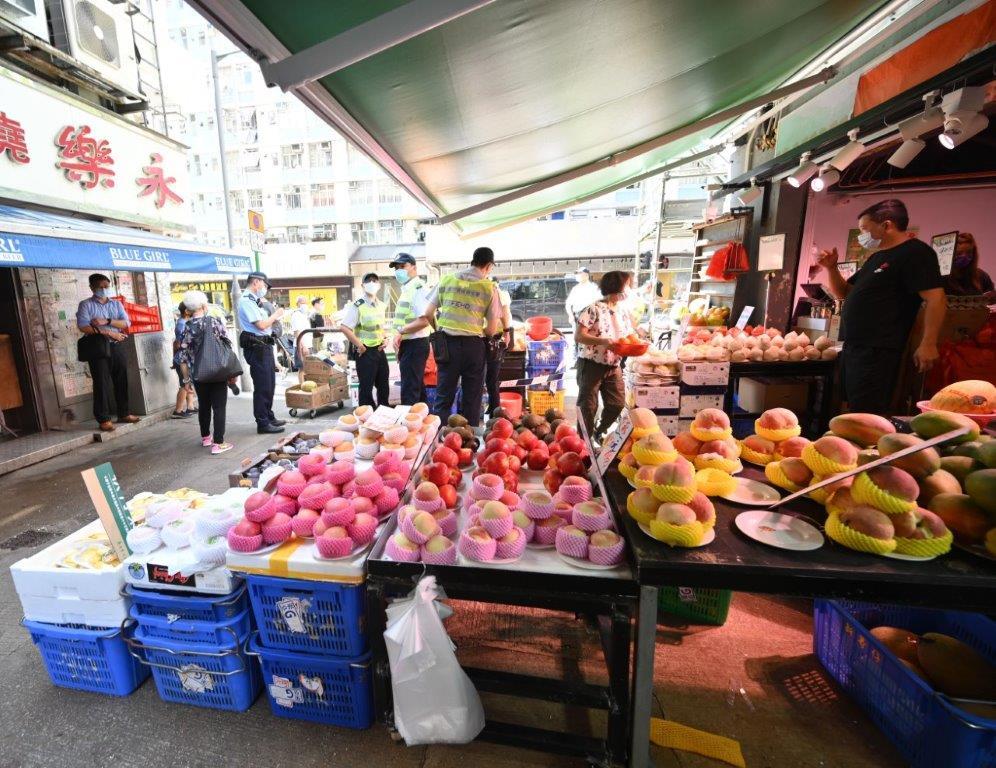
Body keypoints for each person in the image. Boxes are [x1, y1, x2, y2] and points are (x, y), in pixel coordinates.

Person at [816, 198, 946, 413]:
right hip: (855, 345)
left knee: (868, 411)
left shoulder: (915, 253)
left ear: (886, 225)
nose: (861, 237)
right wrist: (831, 268)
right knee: (853, 406)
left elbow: (936, 299)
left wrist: (928, 343)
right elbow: (845, 292)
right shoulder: (877, 258)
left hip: (879, 349)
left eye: (864, 229)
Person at [402, 247, 502, 426]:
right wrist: (479, 331)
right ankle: (468, 439)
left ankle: (441, 438)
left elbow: (428, 314)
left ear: (472, 261)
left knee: (444, 396)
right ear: (488, 266)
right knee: (472, 398)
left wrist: (439, 330)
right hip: (474, 347)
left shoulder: (447, 280)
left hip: (447, 346)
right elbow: (492, 329)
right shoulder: (489, 288)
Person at [574, 271, 635, 441]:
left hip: (614, 365)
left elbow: (629, 336)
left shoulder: (622, 311)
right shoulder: (593, 309)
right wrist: (603, 341)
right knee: (588, 407)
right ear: (616, 287)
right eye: (626, 285)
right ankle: (582, 446)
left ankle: (599, 430)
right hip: (591, 364)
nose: (628, 289)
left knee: (617, 404)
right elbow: (579, 336)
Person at [76, 273, 140, 432]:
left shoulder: (116, 304)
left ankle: (124, 413)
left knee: (121, 379)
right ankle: (103, 418)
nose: (104, 290)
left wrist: (107, 321)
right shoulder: (85, 305)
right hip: (98, 347)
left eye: (106, 286)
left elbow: (126, 322)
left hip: (116, 345)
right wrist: (110, 332)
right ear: (92, 287)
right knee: (101, 383)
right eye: (100, 287)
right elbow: (84, 326)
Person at [177, 290, 235, 455]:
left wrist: (186, 380)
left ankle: (206, 438)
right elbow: (227, 343)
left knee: (204, 405)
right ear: (204, 305)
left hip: (197, 374)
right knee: (219, 407)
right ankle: (218, 443)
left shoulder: (186, 327)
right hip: (216, 371)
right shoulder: (214, 322)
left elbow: (183, 357)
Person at [237, 271, 286, 434]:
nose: (264, 288)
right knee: (263, 385)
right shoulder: (246, 301)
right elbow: (262, 325)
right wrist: (276, 315)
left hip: (264, 346)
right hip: (256, 347)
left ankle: (268, 416)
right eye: (264, 285)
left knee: (270, 383)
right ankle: (263, 422)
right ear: (256, 282)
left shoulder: (254, 300)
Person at [339, 273, 390, 408]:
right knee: (366, 389)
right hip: (365, 351)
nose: (372, 283)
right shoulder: (358, 305)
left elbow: (381, 327)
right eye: (368, 281)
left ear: (379, 285)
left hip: (379, 350)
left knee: (383, 385)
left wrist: (385, 339)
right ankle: (366, 417)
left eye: (375, 281)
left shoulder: (381, 305)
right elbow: (344, 327)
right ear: (362, 286)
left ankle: (383, 413)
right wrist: (360, 345)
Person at [390, 252, 431, 405]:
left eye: (402, 266)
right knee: (417, 389)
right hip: (410, 344)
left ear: (414, 267)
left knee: (410, 392)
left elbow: (425, 320)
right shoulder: (408, 288)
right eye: (396, 268)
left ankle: (410, 425)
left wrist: (401, 331)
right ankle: (426, 424)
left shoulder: (418, 288)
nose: (399, 271)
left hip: (415, 344)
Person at [484, 276, 513, 417]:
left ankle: (494, 409)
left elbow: (506, 313)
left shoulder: (499, 294)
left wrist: (507, 334)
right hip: (487, 338)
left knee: (490, 377)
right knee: (489, 377)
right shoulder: (489, 293)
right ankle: (493, 407)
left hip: (495, 339)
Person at [943, 232, 994, 298]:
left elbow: (991, 300)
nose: (964, 256)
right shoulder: (940, 278)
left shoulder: (982, 276)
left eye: (969, 253)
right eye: (959, 253)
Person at [170, 302, 197, 419]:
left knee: (188, 382)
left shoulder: (184, 322)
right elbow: (178, 343)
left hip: (184, 359)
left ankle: (190, 407)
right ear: (186, 311)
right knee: (184, 384)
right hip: (183, 360)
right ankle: (178, 410)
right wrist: (176, 359)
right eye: (192, 308)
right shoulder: (182, 324)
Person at [288, 296, 311, 385]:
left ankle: (307, 385)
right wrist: (303, 346)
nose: (305, 305)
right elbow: (297, 332)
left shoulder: (304, 315)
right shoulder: (296, 315)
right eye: (302, 303)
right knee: (302, 368)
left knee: (308, 367)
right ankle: (302, 386)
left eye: (306, 303)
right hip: (301, 346)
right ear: (298, 304)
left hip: (308, 345)